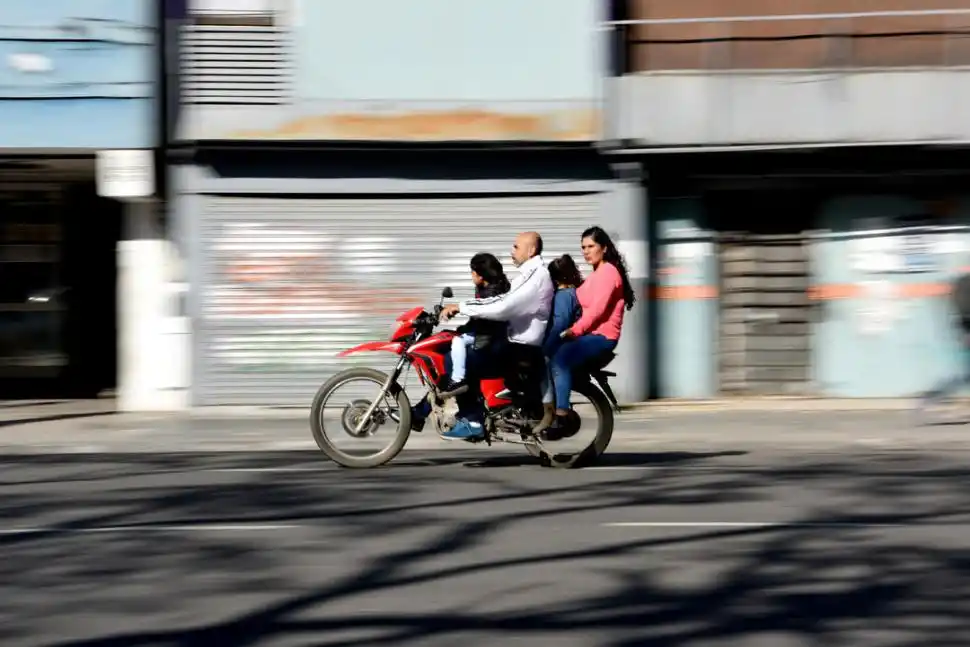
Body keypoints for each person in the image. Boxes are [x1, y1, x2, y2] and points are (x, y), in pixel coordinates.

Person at [435, 231, 554, 440]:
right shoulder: (526, 276)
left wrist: (461, 307)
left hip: (519, 349)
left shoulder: (536, 276)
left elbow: (502, 306)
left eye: (516, 247)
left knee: (455, 363)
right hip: (512, 344)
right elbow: (501, 302)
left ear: (531, 250)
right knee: (460, 352)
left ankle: (472, 421)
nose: (512, 251)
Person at [545, 226, 636, 440]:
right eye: (583, 247)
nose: (586, 251)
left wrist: (575, 331)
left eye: (591, 246)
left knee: (560, 359)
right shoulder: (596, 273)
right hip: (590, 335)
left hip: (602, 338)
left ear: (603, 248)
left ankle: (562, 416)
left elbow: (597, 310)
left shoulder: (608, 273)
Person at [444, 252, 511, 395]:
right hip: (485, 333)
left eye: (472, 272)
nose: (471, 275)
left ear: (481, 276)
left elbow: (482, 312)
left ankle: (457, 380)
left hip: (491, 337)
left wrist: (460, 310)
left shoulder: (493, 293)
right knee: (455, 337)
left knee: (457, 342)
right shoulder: (488, 288)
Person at [534, 254, 584, 434]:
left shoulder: (564, 296)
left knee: (544, 364)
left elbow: (560, 326)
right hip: (569, 340)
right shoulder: (573, 292)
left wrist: (545, 347)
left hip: (563, 342)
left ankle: (555, 411)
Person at [918, 270, 970, 414]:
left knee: (965, 376)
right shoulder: (966, 282)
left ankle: (931, 396)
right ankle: (932, 396)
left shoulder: (962, 281)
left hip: (964, 330)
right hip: (966, 331)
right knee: (965, 376)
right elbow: (964, 311)